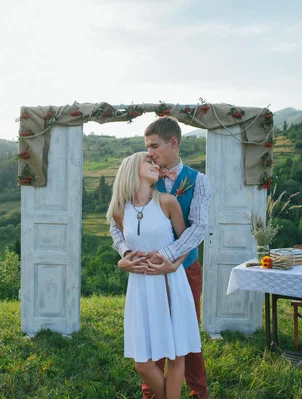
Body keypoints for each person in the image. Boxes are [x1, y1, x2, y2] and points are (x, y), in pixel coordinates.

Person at [110, 116, 212, 399]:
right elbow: (116, 224)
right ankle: (154, 394)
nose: (150, 152)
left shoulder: (198, 181)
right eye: (147, 148)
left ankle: (197, 391)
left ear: (173, 143)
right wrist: (126, 253)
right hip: (145, 273)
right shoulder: (139, 183)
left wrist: (169, 257)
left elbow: (199, 228)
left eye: (154, 146)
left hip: (185, 268)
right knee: (150, 333)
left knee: (183, 335)